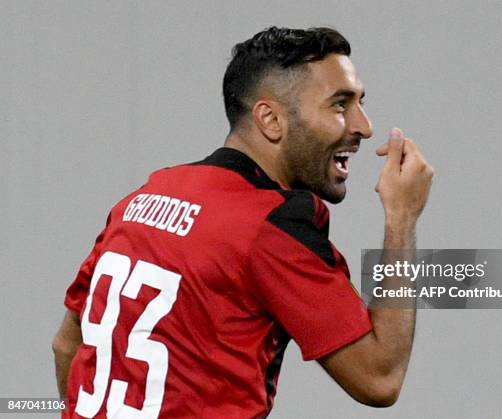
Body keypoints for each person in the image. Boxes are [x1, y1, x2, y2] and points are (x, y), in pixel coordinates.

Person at [52, 26, 433, 418]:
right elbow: (379, 377)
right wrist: (401, 217)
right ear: (270, 119)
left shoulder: (141, 198)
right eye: (340, 105)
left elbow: (67, 345)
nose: (363, 126)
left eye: (361, 103)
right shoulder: (270, 223)